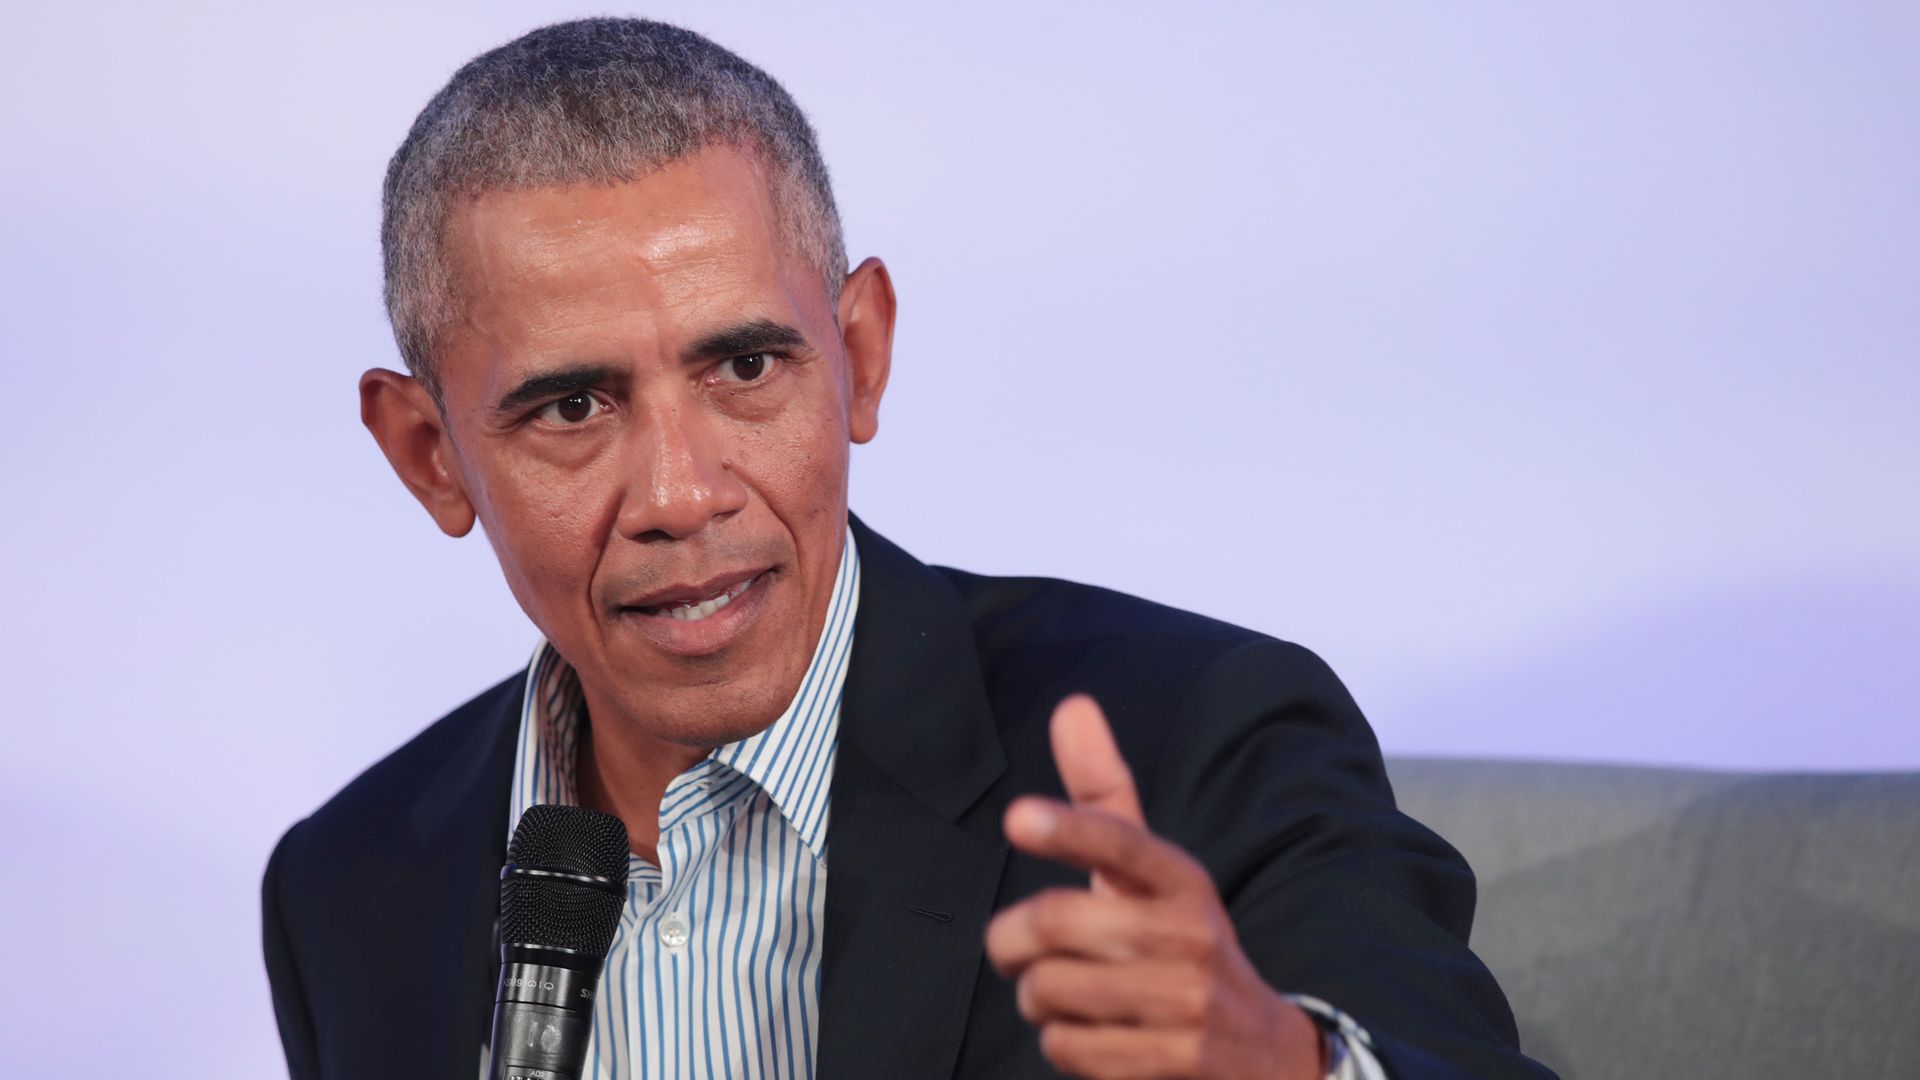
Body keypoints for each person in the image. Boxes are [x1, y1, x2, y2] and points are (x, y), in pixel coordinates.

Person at [261, 17, 1553, 1080]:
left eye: (748, 365)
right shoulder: (356, 882)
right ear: (430, 454)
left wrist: (1277, 1067)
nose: (679, 492)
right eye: (572, 407)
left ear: (860, 357)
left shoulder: (1197, 742)